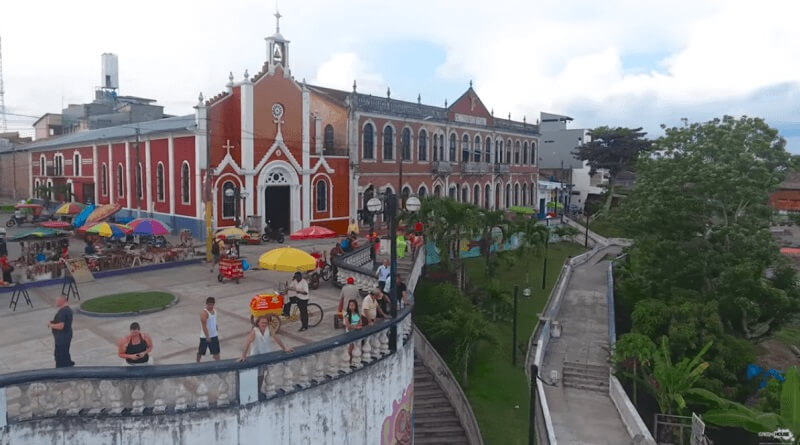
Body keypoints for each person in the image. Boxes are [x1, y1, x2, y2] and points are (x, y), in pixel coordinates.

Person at [48, 294, 74, 368]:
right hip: (66, 336)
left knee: (60, 356)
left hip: (62, 337)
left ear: (61, 301)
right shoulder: (68, 310)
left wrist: (51, 325)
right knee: (65, 353)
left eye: (57, 301)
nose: (55, 302)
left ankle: (62, 371)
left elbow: (61, 326)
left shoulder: (63, 312)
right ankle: (68, 365)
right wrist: (53, 322)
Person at [197, 297, 221, 362]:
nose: (210, 306)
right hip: (205, 337)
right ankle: (197, 363)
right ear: (206, 304)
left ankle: (218, 366)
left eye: (211, 304)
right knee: (201, 352)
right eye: (209, 304)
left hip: (214, 335)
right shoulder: (204, 314)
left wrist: (216, 326)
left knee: (217, 352)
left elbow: (213, 320)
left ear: (214, 304)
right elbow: (204, 326)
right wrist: (207, 336)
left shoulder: (214, 311)